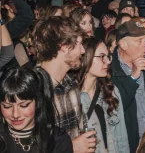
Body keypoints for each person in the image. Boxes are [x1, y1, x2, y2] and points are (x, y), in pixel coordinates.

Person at [32, 16, 96, 153]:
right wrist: (69, 147)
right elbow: (26, 146)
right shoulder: (33, 89)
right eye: (79, 44)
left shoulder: (71, 84)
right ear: (64, 48)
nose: (83, 51)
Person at [111, 18, 145, 152]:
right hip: (130, 145)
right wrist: (133, 78)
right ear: (123, 44)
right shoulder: (108, 69)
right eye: (139, 41)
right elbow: (114, 108)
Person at [0, 67, 73, 153]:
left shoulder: (58, 140)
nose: (15, 114)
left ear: (38, 102)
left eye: (24, 105)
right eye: (7, 106)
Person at [79, 37, 130, 153]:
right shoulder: (72, 97)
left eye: (108, 57)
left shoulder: (111, 91)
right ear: (86, 57)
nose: (108, 61)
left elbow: (121, 137)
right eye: (102, 56)